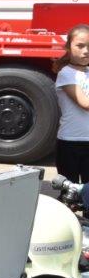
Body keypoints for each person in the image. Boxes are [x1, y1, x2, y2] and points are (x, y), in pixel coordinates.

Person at [53, 23, 89, 183]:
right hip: (71, 143)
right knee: (69, 195)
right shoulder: (66, 73)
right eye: (80, 46)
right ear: (68, 47)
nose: (86, 51)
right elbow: (85, 103)